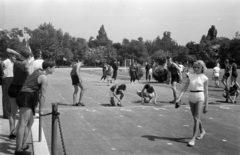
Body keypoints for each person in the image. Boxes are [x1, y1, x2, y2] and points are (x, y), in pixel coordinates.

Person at [14, 60, 55, 155]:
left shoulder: (38, 71)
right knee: (23, 123)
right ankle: (18, 149)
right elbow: (43, 96)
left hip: (25, 96)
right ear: (48, 68)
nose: (54, 70)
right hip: (26, 97)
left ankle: (23, 144)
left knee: (30, 121)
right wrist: (40, 110)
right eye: (53, 68)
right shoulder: (44, 77)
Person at [175, 60, 209, 147]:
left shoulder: (204, 78)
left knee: (197, 118)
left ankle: (193, 139)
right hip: (191, 96)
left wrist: (206, 105)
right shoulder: (190, 76)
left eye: (198, 67)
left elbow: (206, 93)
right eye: (194, 67)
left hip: (200, 97)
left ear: (202, 68)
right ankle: (202, 131)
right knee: (195, 117)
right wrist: (178, 98)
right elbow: (184, 88)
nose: (196, 68)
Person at [6, 47, 33, 140]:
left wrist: (18, 54)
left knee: (12, 112)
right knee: (23, 114)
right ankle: (16, 131)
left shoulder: (15, 62)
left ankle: (11, 132)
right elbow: (30, 75)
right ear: (27, 56)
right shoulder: (25, 64)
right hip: (21, 88)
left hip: (13, 87)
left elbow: (8, 50)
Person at [1, 54, 14, 119]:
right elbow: (1, 64)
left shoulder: (13, 62)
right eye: (14, 56)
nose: (15, 57)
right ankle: (6, 114)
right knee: (6, 96)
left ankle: (10, 112)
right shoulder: (7, 61)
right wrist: (2, 74)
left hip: (12, 78)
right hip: (7, 79)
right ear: (10, 56)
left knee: (11, 97)